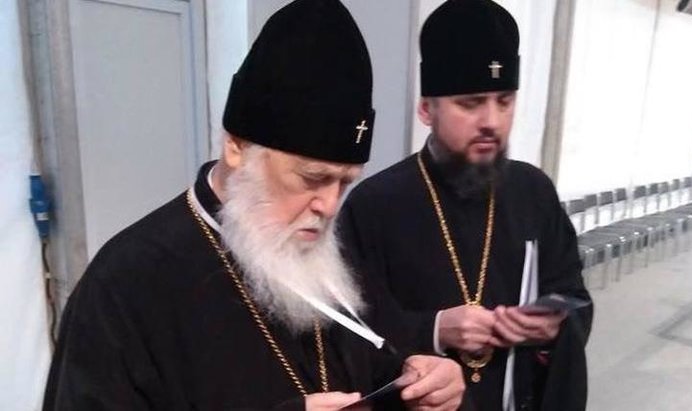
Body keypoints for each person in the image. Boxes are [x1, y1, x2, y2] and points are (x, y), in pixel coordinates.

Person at [42, 0, 466, 409]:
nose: (329, 205)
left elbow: (381, 365)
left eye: (345, 182)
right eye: (313, 178)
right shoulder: (125, 284)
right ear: (237, 147)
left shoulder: (332, 258)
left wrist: (423, 384)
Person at [338, 0, 593, 410]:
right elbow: (349, 330)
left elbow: (573, 294)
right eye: (471, 103)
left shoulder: (534, 191)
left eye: (504, 101)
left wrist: (553, 330)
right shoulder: (374, 205)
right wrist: (434, 329)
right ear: (427, 109)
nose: (491, 121)